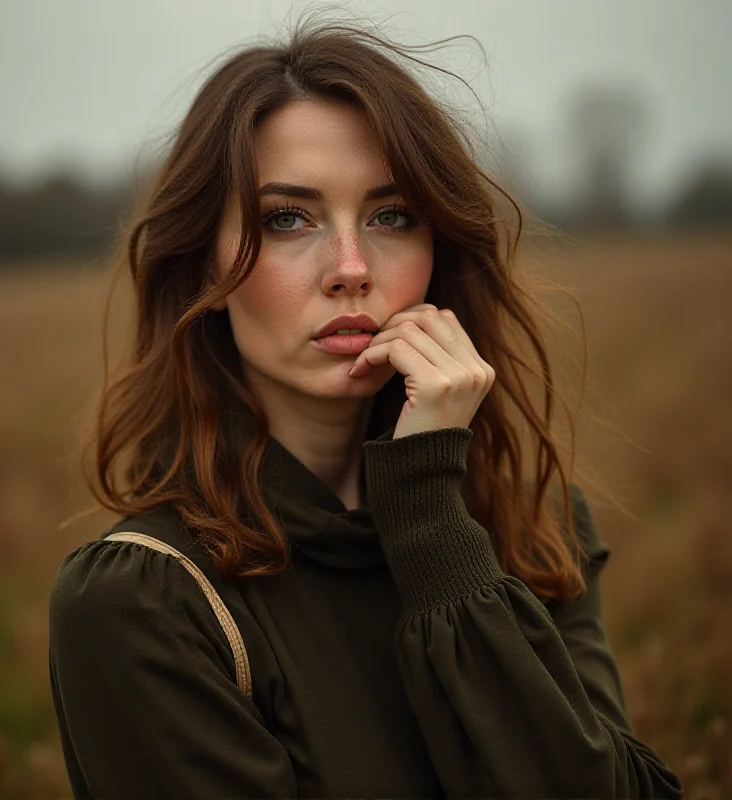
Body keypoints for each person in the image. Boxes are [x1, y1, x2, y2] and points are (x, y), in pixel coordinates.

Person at [48, 11, 683, 800]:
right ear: (202, 265)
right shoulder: (145, 601)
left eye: (391, 216)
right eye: (288, 219)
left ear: (437, 252)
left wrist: (429, 520)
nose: (351, 268)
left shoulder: (529, 526)